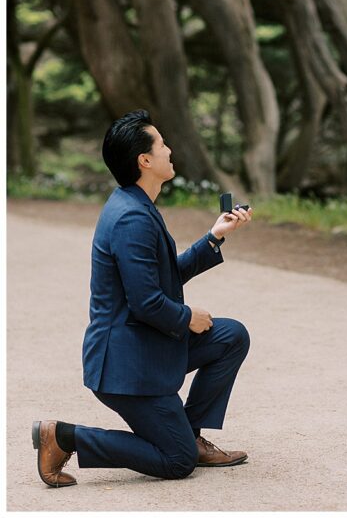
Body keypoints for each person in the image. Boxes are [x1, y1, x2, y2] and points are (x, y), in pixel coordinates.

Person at [32, 110, 254, 487]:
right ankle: (65, 436)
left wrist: (214, 237)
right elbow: (146, 302)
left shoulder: (136, 204)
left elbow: (161, 277)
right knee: (176, 460)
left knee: (231, 335)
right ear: (145, 160)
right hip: (125, 366)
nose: (170, 150)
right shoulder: (131, 218)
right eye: (162, 144)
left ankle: (189, 433)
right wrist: (186, 317)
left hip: (145, 345)